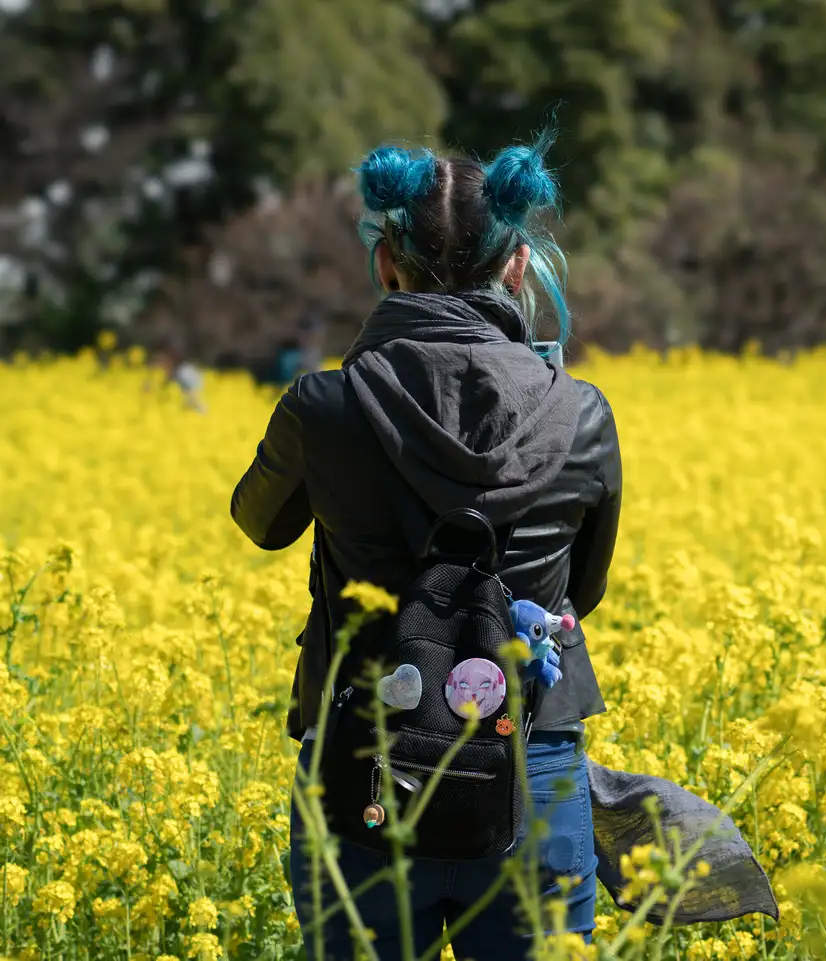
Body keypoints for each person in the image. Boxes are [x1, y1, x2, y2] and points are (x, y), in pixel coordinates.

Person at [229, 132, 621, 958]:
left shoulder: (325, 407)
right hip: (528, 763)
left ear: (387, 265)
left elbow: (259, 521)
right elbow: (579, 591)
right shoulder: (581, 414)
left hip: (362, 769)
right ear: (517, 267)